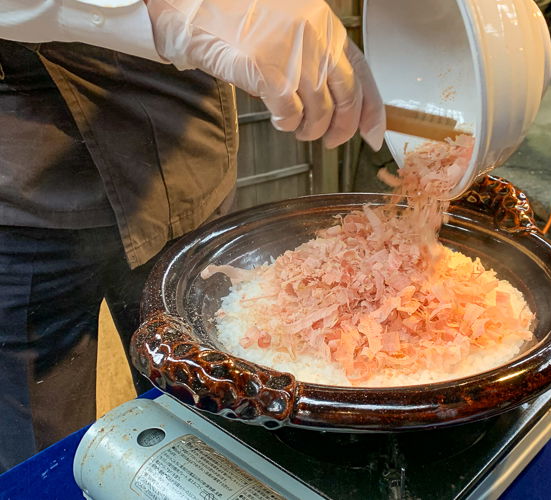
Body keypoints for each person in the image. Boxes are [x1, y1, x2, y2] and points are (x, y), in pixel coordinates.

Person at [0, 0, 385, 472]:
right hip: (28, 187)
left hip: (187, 158)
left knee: (206, 407)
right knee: (42, 445)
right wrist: (178, 9)